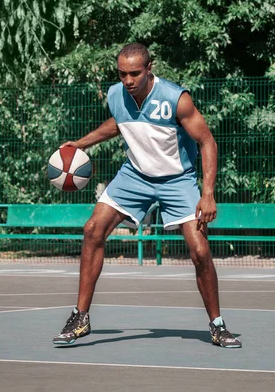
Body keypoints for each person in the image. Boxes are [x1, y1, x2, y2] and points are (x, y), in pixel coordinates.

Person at [52, 43, 241, 348]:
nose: (128, 80)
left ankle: (217, 325)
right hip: (135, 176)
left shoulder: (175, 99)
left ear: (149, 68)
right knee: (92, 230)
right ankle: (80, 316)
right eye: (122, 73)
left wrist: (207, 195)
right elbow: (119, 123)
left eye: (135, 73)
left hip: (177, 179)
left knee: (200, 251)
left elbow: (207, 142)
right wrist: (82, 143)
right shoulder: (116, 94)